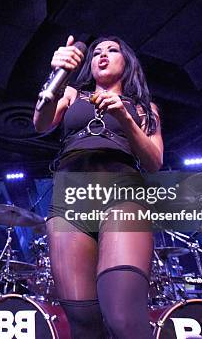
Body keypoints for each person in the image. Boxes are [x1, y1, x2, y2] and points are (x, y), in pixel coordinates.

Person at [33, 35, 163, 338]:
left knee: (123, 316)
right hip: (70, 200)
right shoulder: (71, 94)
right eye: (96, 53)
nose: (102, 55)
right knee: (83, 323)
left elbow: (155, 160)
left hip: (122, 196)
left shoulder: (144, 108)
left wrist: (124, 117)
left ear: (127, 62)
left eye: (112, 50)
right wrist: (56, 74)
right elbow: (40, 122)